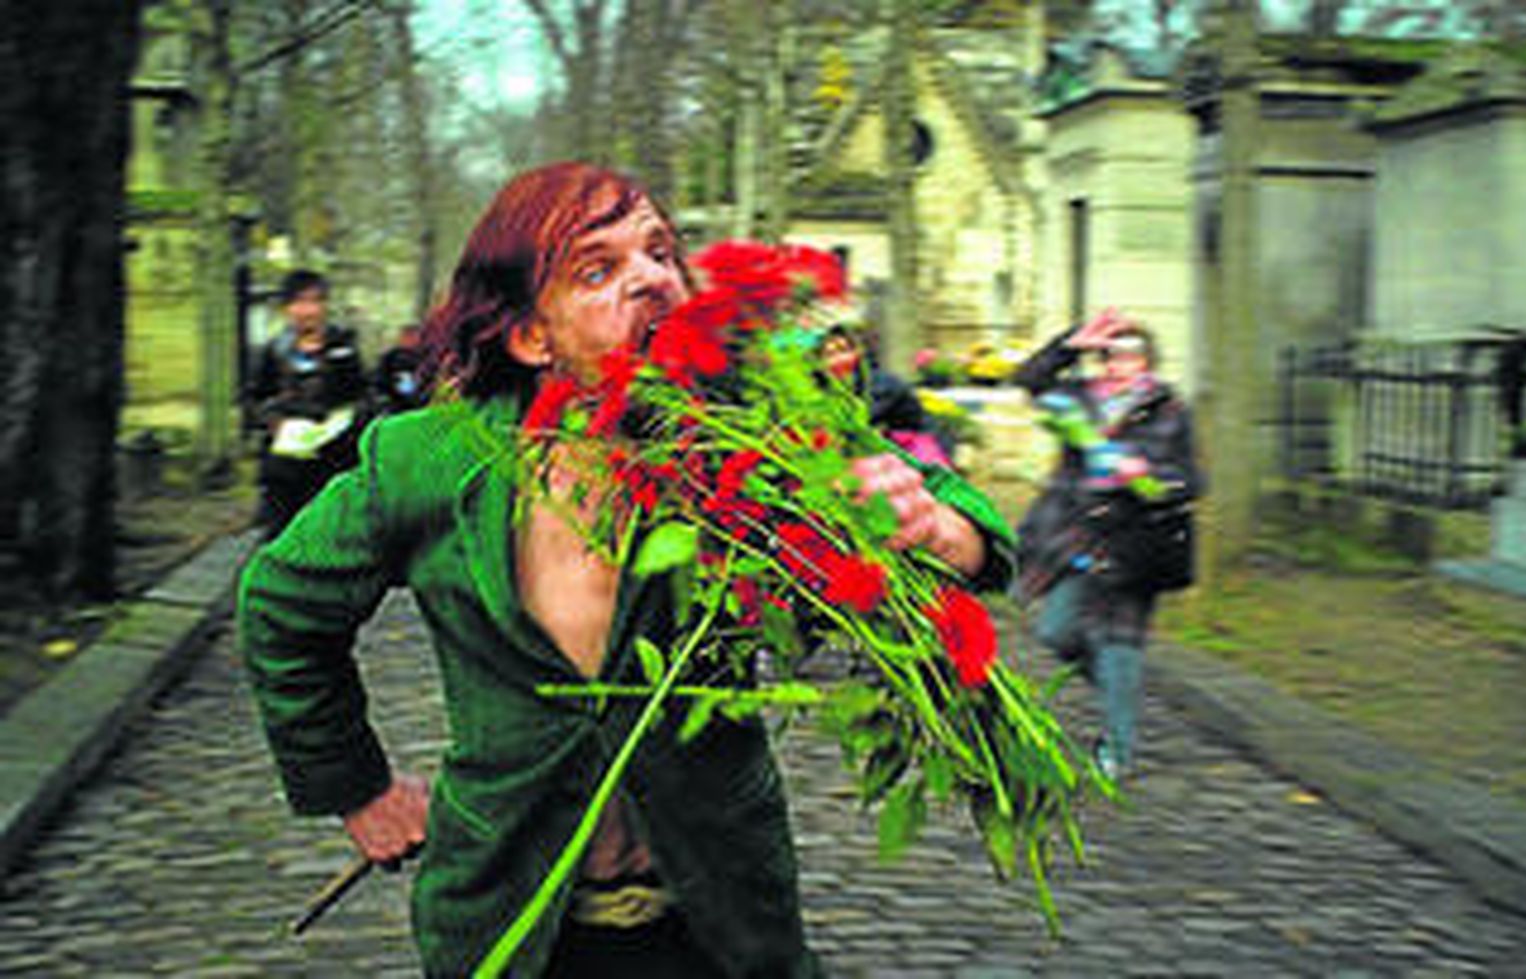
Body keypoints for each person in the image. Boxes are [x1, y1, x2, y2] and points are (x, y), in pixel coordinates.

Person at [237, 162, 1015, 978]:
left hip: (719, 922)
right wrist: (355, 786)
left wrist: (934, 526)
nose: (649, 276)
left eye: (659, 252)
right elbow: (282, 603)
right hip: (512, 925)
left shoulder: (754, 439)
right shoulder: (427, 460)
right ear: (530, 333)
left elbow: (974, 526)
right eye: (597, 269)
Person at [1013, 310, 1202, 782]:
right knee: (1055, 631)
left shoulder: (1170, 409)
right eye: (1110, 355)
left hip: (1133, 540)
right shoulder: (1076, 398)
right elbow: (1028, 378)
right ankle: (1119, 692)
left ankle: (1117, 749)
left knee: (1120, 643)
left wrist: (1149, 476)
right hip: (1073, 533)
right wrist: (1070, 344)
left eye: (1131, 355)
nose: (1120, 364)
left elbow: (1194, 480)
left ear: (1148, 361)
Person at [247, 269, 369, 539]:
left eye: (315, 301)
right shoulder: (273, 350)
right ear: (287, 308)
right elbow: (254, 399)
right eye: (299, 302)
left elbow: (364, 396)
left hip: (333, 462)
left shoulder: (344, 349)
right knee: (282, 536)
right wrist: (275, 423)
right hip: (285, 464)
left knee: (328, 536)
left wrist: (343, 422)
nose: (307, 310)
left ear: (324, 306)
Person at [818, 325, 952, 467]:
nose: (836, 360)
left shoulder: (881, 384)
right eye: (828, 354)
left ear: (859, 353)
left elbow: (858, 423)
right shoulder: (831, 384)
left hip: (913, 445)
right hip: (881, 445)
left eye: (843, 351)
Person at [373, 323, 428, 415]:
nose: (410, 340)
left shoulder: (421, 356)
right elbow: (406, 387)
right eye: (408, 336)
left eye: (413, 336)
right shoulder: (396, 358)